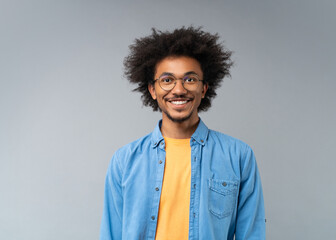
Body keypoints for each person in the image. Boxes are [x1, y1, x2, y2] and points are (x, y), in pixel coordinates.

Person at [100, 26, 265, 240]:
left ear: (204, 88)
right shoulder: (124, 161)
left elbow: (252, 234)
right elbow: (111, 235)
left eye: (190, 79)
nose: (179, 90)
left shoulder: (239, 156)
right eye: (167, 80)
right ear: (152, 89)